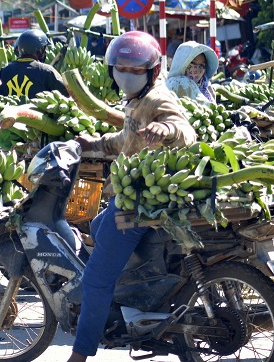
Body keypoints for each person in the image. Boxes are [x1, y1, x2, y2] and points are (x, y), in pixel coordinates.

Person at [70, 31, 196, 362]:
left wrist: (166, 130)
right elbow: (127, 140)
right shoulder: (137, 101)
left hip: (137, 205)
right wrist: (93, 144)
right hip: (126, 197)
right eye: (120, 68)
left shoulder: (156, 99)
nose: (125, 75)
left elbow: (182, 128)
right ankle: (136, 298)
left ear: (152, 72)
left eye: (135, 70)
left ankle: (79, 355)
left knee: (95, 280)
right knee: (96, 229)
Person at [0, 29, 68, 99]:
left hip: (8, 111)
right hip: (38, 111)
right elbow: (67, 94)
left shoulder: (3, 72)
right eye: (43, 48)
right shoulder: (47, 71)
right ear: (40, 49)